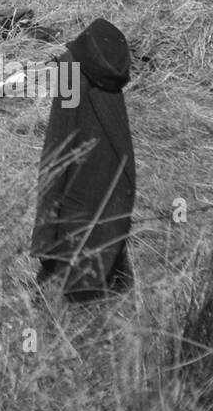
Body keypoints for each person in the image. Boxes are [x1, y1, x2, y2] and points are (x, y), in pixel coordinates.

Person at [31, 18, 135, 302]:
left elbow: (57, 151)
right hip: (111, 208)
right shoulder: (110, 75)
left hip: (75, 225)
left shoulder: (69, 71)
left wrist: (44, 236)